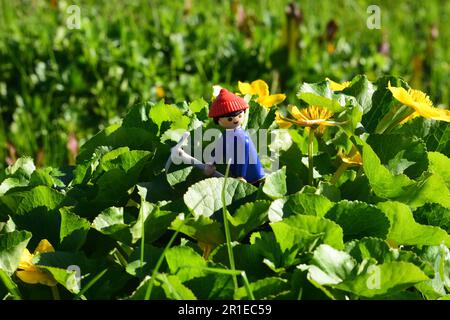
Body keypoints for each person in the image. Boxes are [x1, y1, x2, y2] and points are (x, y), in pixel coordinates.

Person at [204, 88, 265, 185]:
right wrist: (211, 163)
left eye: (240, 116)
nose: (236, 120)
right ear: (218, 121)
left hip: (249, 171)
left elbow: (243, 157)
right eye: (229, 119)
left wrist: (241, 175)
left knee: (253, 187)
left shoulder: (242, 137)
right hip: (236, 169)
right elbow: (219, 149)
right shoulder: (226, 135)